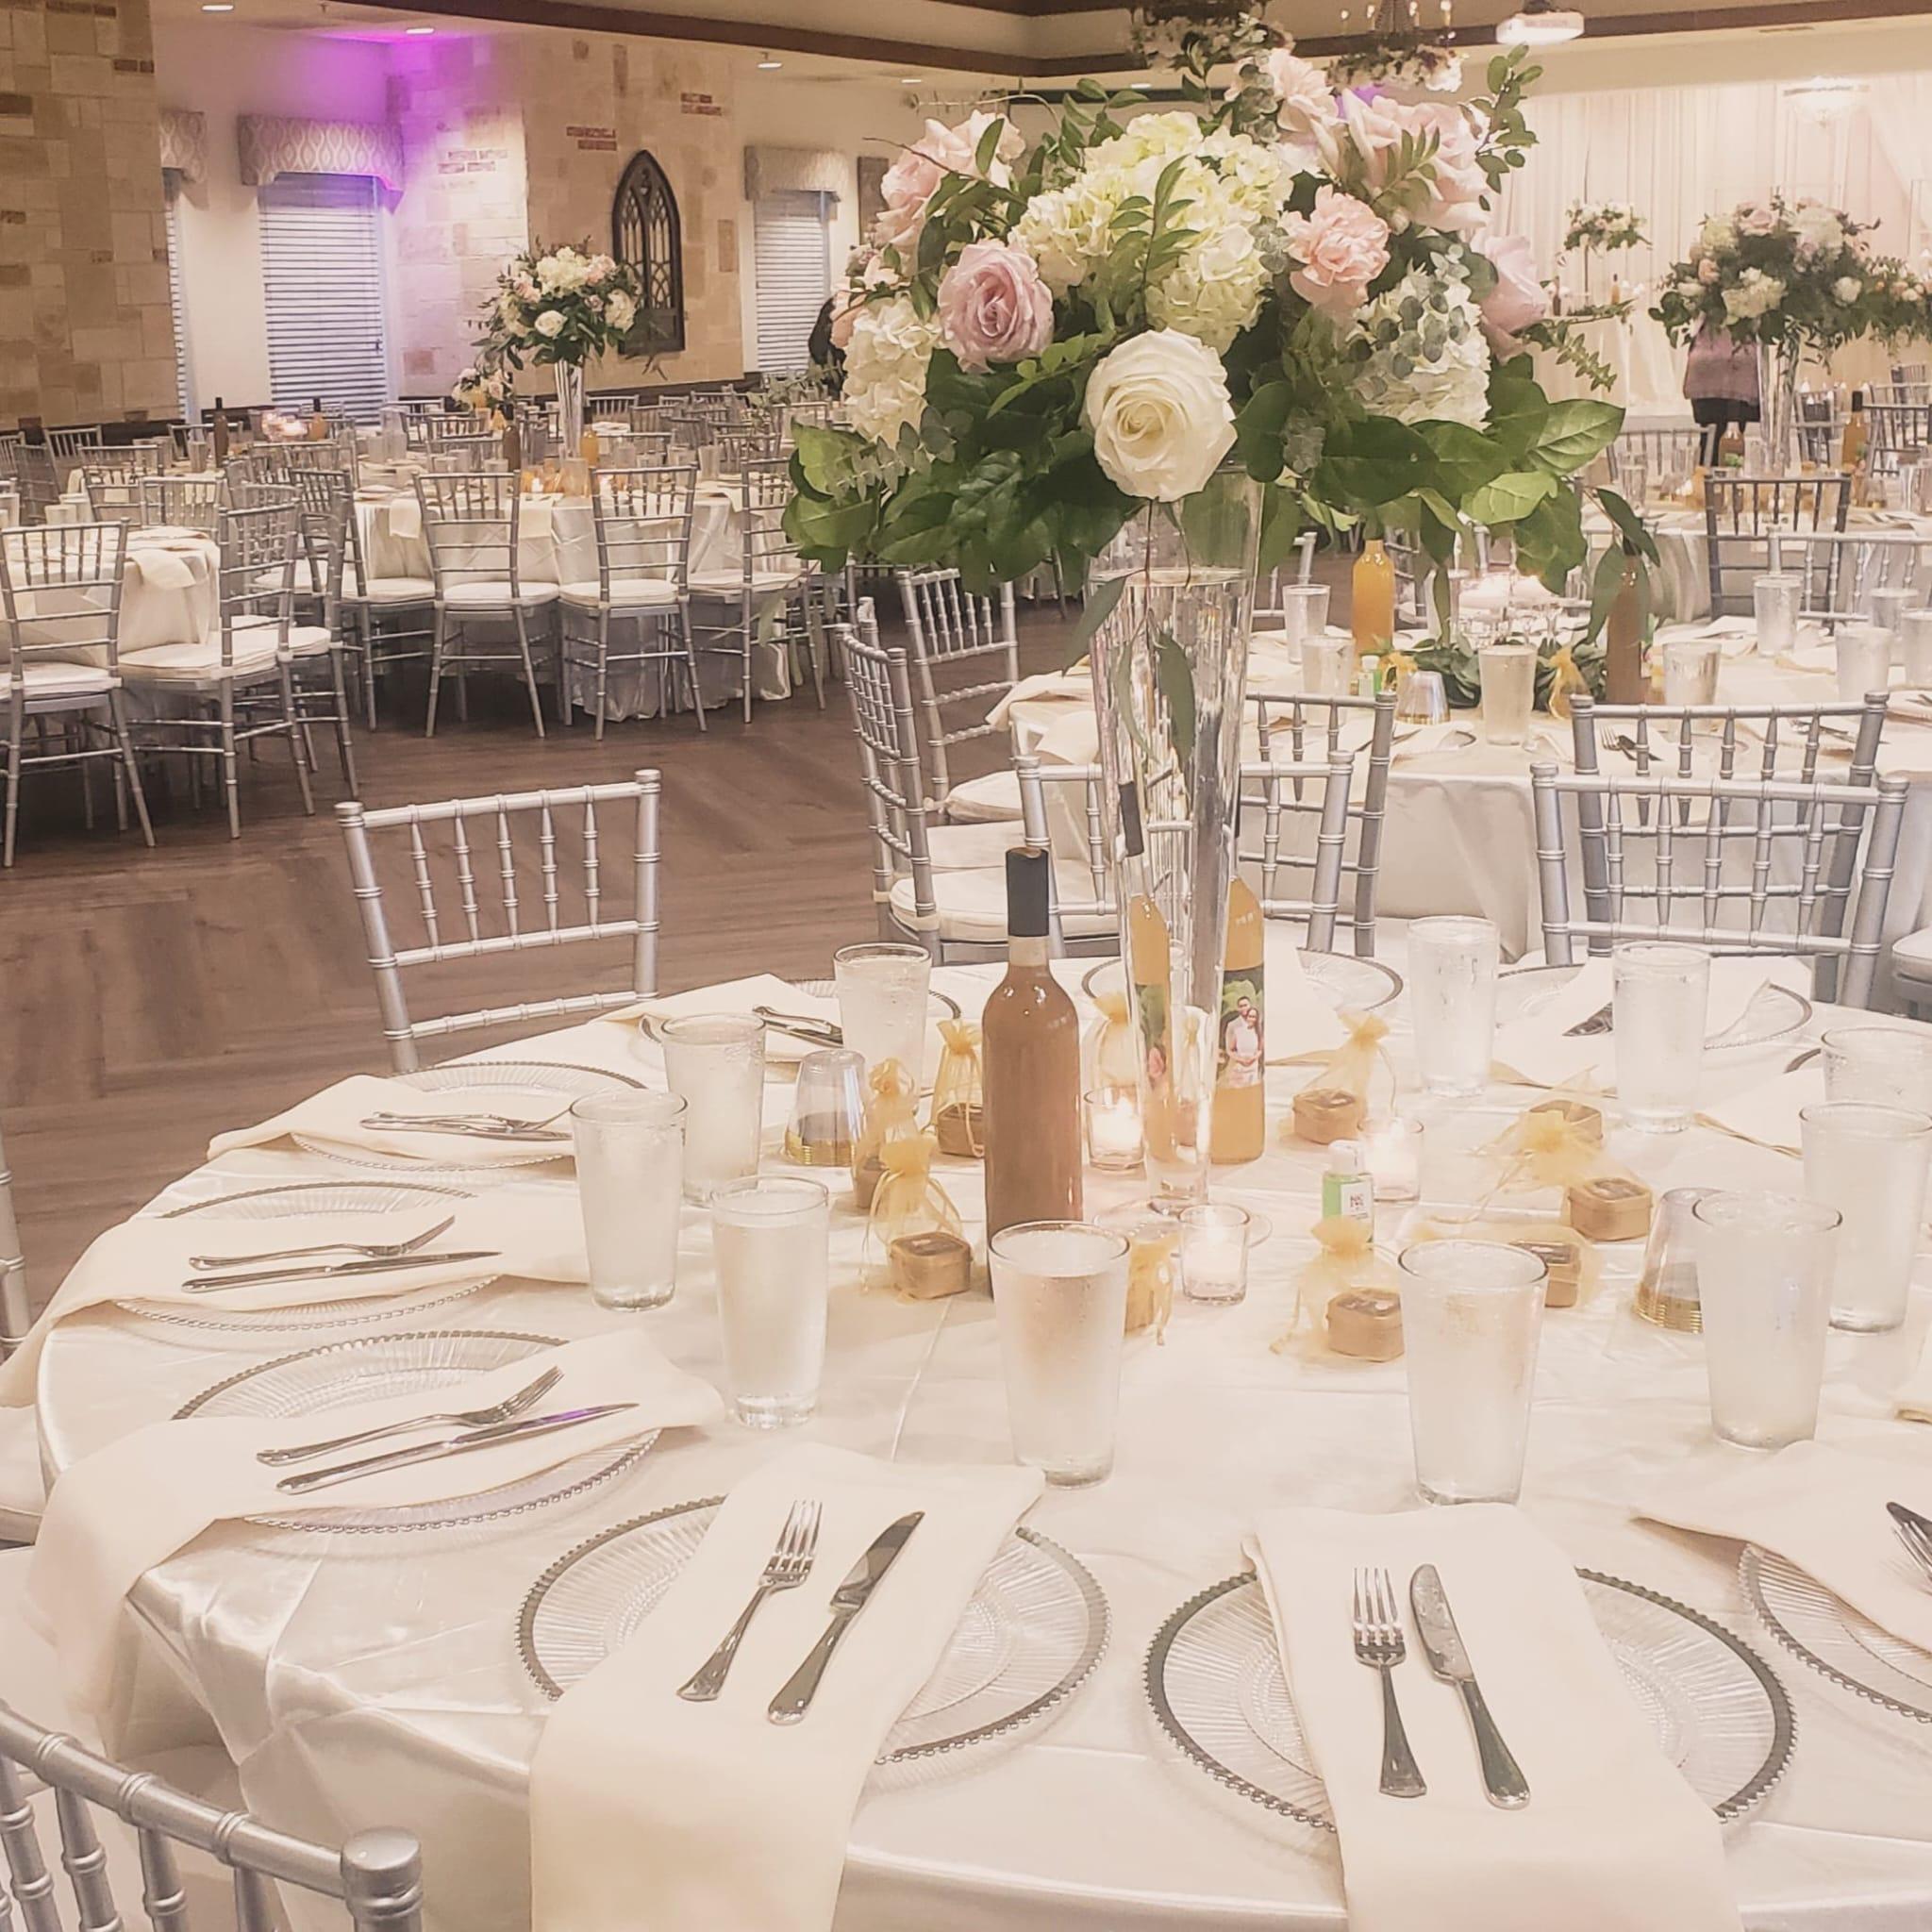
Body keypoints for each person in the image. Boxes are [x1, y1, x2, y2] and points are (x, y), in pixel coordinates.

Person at [1683, 323, 1759, 465]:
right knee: (1729, 437)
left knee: (1712, 438)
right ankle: (1723, 470)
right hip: (1735, 358)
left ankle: (1709, 470)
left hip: (1709, 357)